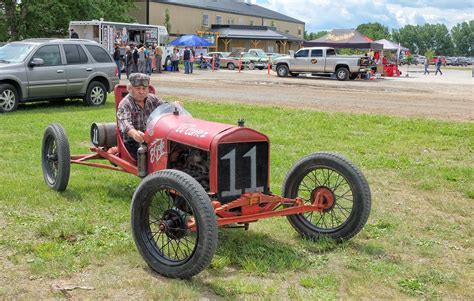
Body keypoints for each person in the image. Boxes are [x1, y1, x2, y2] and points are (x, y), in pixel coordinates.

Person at [117, 73, 181, 159]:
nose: (141, 91)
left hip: (153, 138)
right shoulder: (125, 104)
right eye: (138, 88)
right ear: (129, 89)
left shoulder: (152, 99)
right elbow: (124, 122)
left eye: (144, 88)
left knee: (176, 150)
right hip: (133, 142)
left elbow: (164, 106)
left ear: (148, 89)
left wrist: (174, 105)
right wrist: (134, 133)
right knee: (155, 157)